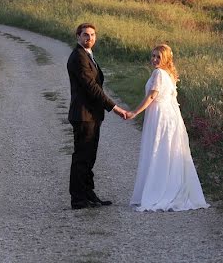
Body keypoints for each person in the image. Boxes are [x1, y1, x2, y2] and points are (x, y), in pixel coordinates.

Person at [126, 44, 209, 212]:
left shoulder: (159, 73)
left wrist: (135, 112)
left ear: (166, 59)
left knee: (159, 149)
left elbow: (152, 96)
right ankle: (167, 185)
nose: (155, 59)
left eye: (158, 57)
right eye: (153, 56)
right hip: (169, 115)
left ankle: (158, 190)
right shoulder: (168, 74)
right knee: (166, 150)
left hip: (160, 116)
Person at [67, 23, 129, 210]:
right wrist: (115, 108)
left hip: (92, 114)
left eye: (92, 35)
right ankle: (78, 199)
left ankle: (88, 193)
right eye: (85, 35)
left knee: (89, 156)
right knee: (82, 157)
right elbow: (92, 88)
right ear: (78, 36)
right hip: (83, 114)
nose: (89, 38)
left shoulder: (87, 54)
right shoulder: (78, 57)